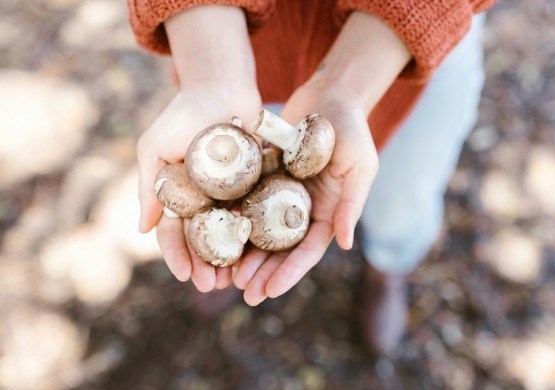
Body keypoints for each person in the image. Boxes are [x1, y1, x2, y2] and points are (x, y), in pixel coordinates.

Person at [127, 0, 495, 355]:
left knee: (404, 192)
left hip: (418, 41)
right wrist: (210, 76)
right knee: (257, 136)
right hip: (241, 42)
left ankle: (389, 267)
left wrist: (346, 88)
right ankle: (224, 252)